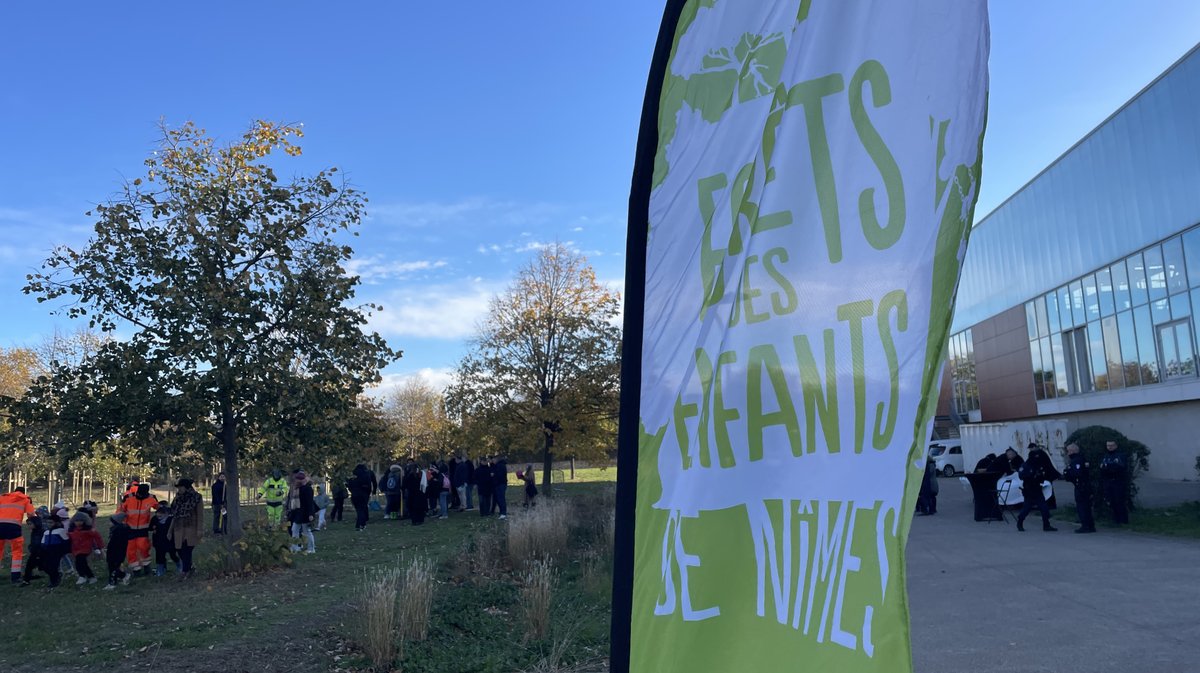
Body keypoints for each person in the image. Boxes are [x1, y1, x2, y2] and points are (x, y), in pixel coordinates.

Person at [118, 483, 160, 575]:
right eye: (139, 494)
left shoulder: (151, 498)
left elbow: (159, 508)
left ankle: (146, 566)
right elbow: (120, 510)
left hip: (143, 528)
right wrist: (119, 522)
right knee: (131, 549)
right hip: (129, 528)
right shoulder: (128, 497)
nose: (140, 496)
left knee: (143, 547)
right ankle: (135, 568)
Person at [1016, 448, 1061, 532]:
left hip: (1037, 489)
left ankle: (1046, 525)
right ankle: (1020, 522)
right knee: (1026, 508)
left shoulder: (1039, 465)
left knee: (1044, 508)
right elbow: (1021, 476)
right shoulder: (1025, 465)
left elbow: (1046, 473)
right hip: (1029, 490)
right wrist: (1032, 475)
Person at [168, 478, 204, 579]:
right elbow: (174, 514)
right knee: (179, 549)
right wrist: (170, 531)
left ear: (186, 487)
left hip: (191, 527)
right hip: (179, 527)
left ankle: (185, 571)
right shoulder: (178, 498)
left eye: (181, 487)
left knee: (187, 549)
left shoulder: (196, 498)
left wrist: (199, 529)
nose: (179, 489)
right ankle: (190, 567)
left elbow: (200, 515)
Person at [0, 486, 37, 584]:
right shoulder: (25, 499)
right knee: (17, 551)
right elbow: (31, 514)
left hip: (0, 525)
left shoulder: (3, 497)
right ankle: (15, 576)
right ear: (23, 492)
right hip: (14, 527)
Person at [1063, 443, 1096, 534]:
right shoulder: (1081, 459)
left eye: (1069, 451)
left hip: (1081, 486)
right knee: (1086, 506)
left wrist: (1066, 473)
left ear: (1073, 451)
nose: (1068, 453)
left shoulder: (1076, 460)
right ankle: (1090, 525)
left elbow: (1076, 473)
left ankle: (1085, 526)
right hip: (1085, 486)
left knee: (1082, 506)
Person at [1099, 440, 1130, 524]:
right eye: (1108, 445)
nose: (1110, 447)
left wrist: (1108, 467)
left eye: (1112, 445)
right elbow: (1101, 468)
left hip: (1118, 482)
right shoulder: (1105, 456)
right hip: (1108, 482)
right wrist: (1108, 467)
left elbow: (1119, 468)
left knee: (1119, 501)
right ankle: (1115, 519)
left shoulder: (1120, 456)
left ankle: (1123, 520)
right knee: (1111, 501)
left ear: (1116, 446)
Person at [287, 471, 317, 554]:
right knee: (294, 529)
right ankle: (295, 547)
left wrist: (310, 514)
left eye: (297, 480)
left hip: (305, 513)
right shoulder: (297, 488)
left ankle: (311, 548)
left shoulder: (307, 488)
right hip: (298, 513)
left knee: (306, 531)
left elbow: (309, 502)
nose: (296, 481)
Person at [68, 514, 103, 585]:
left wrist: (100, 547)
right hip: (75, 549)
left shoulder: (88, 530)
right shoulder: (71, 530)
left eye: (81, 521)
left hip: (85, 549)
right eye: (76, 521)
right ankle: (86, 576)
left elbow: (97, 537)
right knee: (78, 563)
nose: (78, 522)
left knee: (81, 561)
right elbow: (69, 539)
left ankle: (85, 576)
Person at [40, 509, 71, 588]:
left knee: (53, 567)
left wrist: (64, 551)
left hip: (57, 552)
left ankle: (54, 581)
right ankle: (56, 576)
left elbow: (66, 541)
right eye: (48, 522)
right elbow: (43, 543)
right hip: (47, 552)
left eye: (51, 522)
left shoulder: (61, 531)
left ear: (57, 523)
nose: (49, 524)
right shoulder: (46, 532)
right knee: (44, 566)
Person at [103, 512, 133, 590]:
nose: (109, 523)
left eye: (111, 522)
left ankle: (112, 583)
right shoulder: (115, 530)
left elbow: (116, 543)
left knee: (113, 568)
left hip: (117, 553)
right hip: (114, 552)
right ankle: (123, 575)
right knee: (112, 567)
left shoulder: (119, 530)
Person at [150, 505, 181, 576]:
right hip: (158, 542)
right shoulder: (154, 519)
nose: (159, 518)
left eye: (161, 516)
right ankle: (160, 571)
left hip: (169, 542)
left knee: (173, 555)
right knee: (160, 557)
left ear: (166, 514)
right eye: (158, 516)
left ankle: (179, 565)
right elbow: (151, 527)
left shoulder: (171, 520)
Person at [347, 464, 375, 531]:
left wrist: (353, 491)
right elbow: (368, 487)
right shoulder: (366, 476)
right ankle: (360, 524)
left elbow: (349, 486)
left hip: (354, 495)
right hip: (363, 495)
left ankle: (362, 523)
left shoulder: (353, 477)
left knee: (359, 510)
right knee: (362, 510)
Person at [492, 455, 509, 519]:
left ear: (497, 459)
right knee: (499, 498)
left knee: (501, 498)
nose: (493, 461)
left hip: (500, 484)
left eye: (494, 459)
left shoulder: (500, 466)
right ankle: (502, 512)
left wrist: (494, 475)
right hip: (500, 484)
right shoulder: (499, 465)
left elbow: (500, 475)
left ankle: (503, 513)